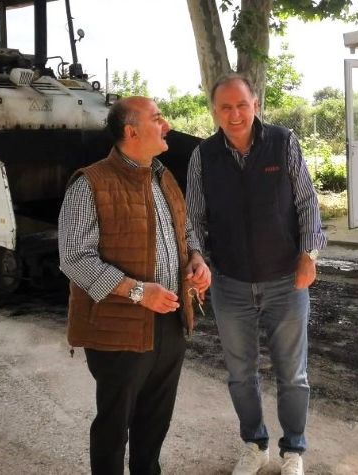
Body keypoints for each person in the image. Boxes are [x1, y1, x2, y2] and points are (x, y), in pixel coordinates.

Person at [58, 96, 211, 475]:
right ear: (131, 132)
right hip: (118, 331)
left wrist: (196, 258)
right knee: (114, 428)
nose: (167, 125)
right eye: (157, 119)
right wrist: (140, 292)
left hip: (170, 322)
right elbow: (74, 258)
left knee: (155, 422)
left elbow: (185, 230)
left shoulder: (164, 177)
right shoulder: (90, 184)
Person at [186, 74, 326, 475]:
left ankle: (293, 451)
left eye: (241, 105)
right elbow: (193, 217)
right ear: (215, 111)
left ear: (256, 105)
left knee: (293, 375)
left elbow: (307, 203)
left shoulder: (283, 143)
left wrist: (309, 255)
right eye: (225, 107)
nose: (234, 115)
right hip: (229, 283)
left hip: (286, 280)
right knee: (240, 375)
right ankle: (254, 445)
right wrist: (196, 255)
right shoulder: (203, 156)